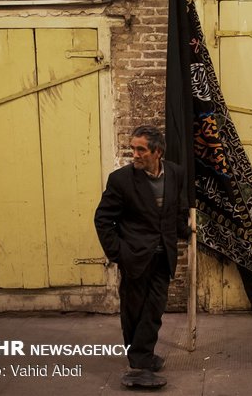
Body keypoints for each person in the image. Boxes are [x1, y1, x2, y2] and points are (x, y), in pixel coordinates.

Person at [95, 125, 191, 388]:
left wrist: (186, 229)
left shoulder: (175, 173)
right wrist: (119, 254)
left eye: (141, 149)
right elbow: (103, 220)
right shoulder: (121, 180)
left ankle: (142, 356)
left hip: (163, 256)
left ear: (157, 151)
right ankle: (138, 367)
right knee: (134, 310)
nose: (134, 154)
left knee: (155, 309)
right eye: (132, 148)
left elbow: (175, 211)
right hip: (134, 257)